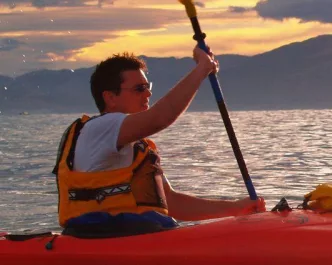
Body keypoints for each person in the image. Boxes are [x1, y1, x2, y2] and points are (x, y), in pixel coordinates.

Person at [53, 47, 265, 237]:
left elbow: (172, 203)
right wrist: (202, 69)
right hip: (102, 238)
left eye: (147, 86)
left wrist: (237, 208)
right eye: (139, 89)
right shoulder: (98, 129)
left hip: (135, 235)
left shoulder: (134, 143)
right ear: (110, 97)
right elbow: (160, 117)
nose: (148, 93)